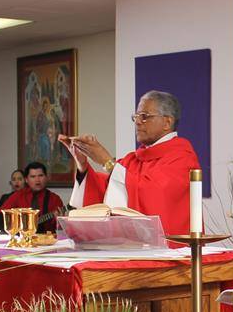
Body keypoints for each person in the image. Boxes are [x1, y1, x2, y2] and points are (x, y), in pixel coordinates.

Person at [62, 90, 201, 236]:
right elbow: (105, 190)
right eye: (136, 117)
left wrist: (107, 162)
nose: (138, 122)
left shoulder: (181, 158)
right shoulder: (132, 159)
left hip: (169, 250)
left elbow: (155, 194)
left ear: (167, 122)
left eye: (145, 116)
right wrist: (82, 165)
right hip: (129, 248)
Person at [0, 162, 66, 233]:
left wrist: (60, 221)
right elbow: (0, 215)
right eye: (33, 176)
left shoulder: (55, 199)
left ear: (46, 177)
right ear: (26, 180)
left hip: (46, 240)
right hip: (21, 239)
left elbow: (61, 231)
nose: (37, 180)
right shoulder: (18, 195)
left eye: (40, 175)